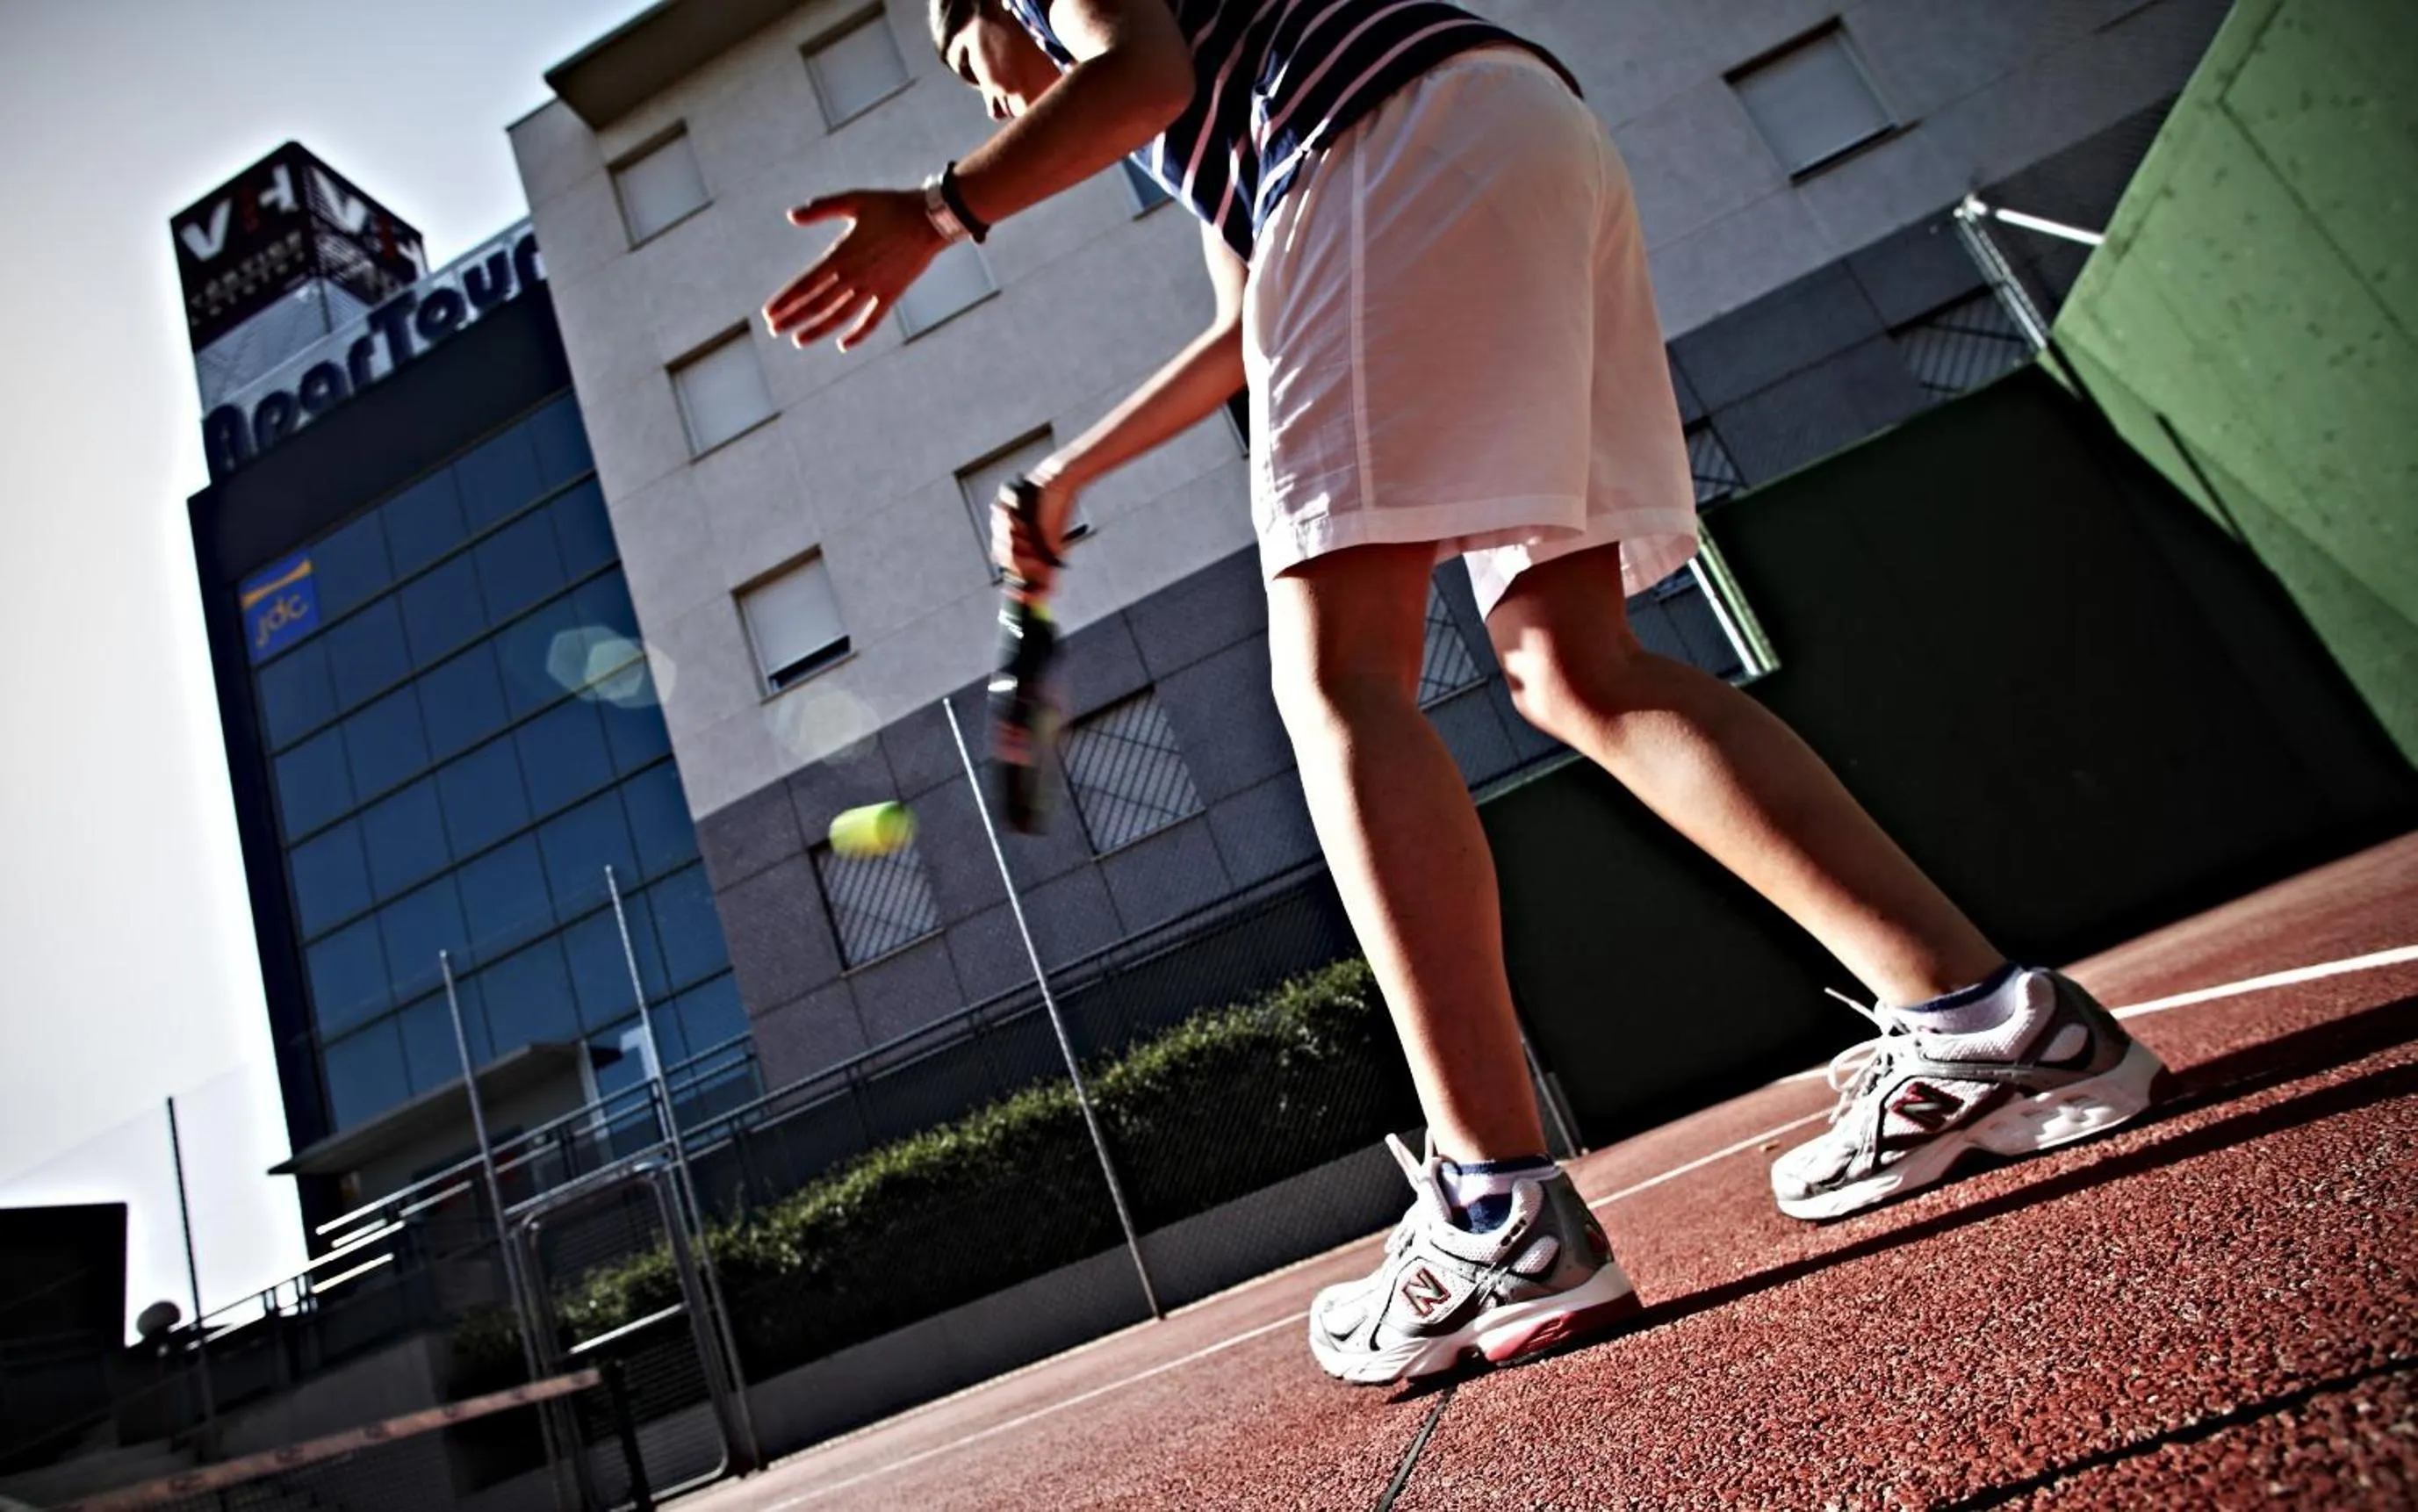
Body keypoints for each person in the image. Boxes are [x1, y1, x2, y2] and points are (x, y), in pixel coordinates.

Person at [761, 0, 2167, 1386]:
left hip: (1375, 140)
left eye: (969, 61)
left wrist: (939, 213)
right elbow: (1250, 312)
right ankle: (1991, 1020)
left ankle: (1497, 1209)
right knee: (1574, 665)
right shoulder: (1223, 121)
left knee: (1337, 680)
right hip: (1519, 134)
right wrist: (1073, 473)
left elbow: (1129, 70)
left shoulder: (1134, 55)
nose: (988, 96)